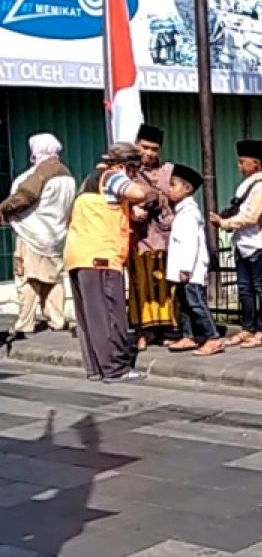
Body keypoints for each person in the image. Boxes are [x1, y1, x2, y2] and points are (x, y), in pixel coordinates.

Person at [64, 142, 158, 383]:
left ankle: (96, 368)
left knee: (89, 317)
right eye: (133, 170)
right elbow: (136, 193)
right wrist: (148, 194)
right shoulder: (112, 176)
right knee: (109, 314)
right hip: (101, 257)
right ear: (124, 165)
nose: (134, 175)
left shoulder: (89, 181)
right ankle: (116, 368)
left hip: (78, 255)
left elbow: (110, 207)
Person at [0, 134, 75, 336]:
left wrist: (4, 208)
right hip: (56, 237)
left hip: (31, 235)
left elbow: (24, 196)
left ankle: (25, 323)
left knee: (27, 280)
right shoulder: (67, 174)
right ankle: (57, 319)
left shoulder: (41, 174)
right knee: (53, 279)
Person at [211, 140, 262, 348]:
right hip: (242, 242)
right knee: (245, 289)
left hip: (257, 243)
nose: (239, 166)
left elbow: (251, 216)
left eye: (242, 162)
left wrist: (225, 223)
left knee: (259, 287)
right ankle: (248, 328)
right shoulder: (245, 186)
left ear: (256, 163)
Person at [164, 165, 222, 356]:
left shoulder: (189, 214)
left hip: (190, 270)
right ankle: (188, 336)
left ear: (187, 189)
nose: (169, 189)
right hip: (183, 270)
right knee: (185, 305)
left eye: (174, 185)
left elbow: (190, 244)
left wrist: (185, 268)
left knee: (196, 303)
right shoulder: (181, 212)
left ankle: (213, 337)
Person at [128, 124, 176, 350]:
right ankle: (143, 332)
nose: (149, 153)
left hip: (166, 238)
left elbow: (178, 195)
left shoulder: (168, 171)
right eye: (145, 147)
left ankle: (166, 329)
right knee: (141, 286)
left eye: (154, 149)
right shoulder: (127, 172)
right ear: (137, 144)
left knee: (166, 287)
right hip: (139, 239)